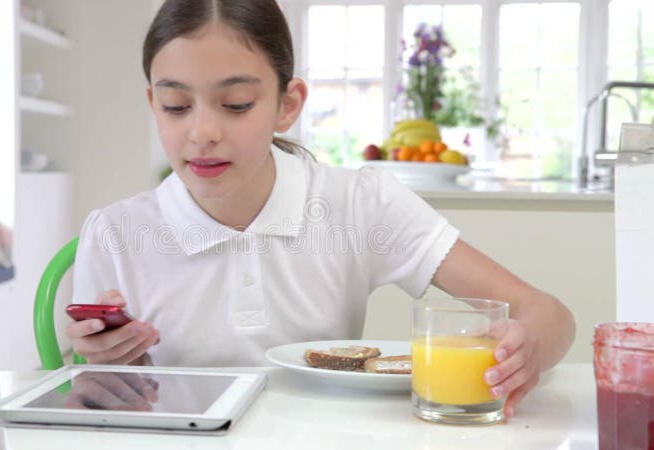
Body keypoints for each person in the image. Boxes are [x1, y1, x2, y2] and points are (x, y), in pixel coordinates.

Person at [66, 0, 575, 419]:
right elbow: (96, 395)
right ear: (153, 103)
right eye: (176, 106)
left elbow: (547, 312)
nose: (202, 133)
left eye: (237, 103)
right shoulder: (115, 232)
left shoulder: (359, 204)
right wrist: (101, 361)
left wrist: (524, 349)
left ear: (287, 105)